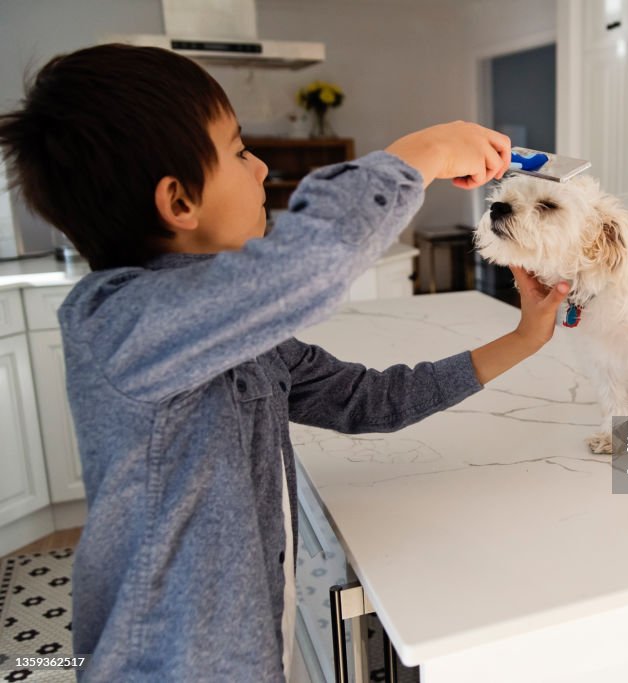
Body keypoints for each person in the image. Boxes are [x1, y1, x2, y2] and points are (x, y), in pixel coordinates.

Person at [0, 43, 569, 682]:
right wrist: (426, 152)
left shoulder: (241, 331)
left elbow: (369, 400)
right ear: (179, 202)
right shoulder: (117, 322)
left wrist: (525, 337)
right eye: (239, 151)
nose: (261, 166)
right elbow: (315, 261)